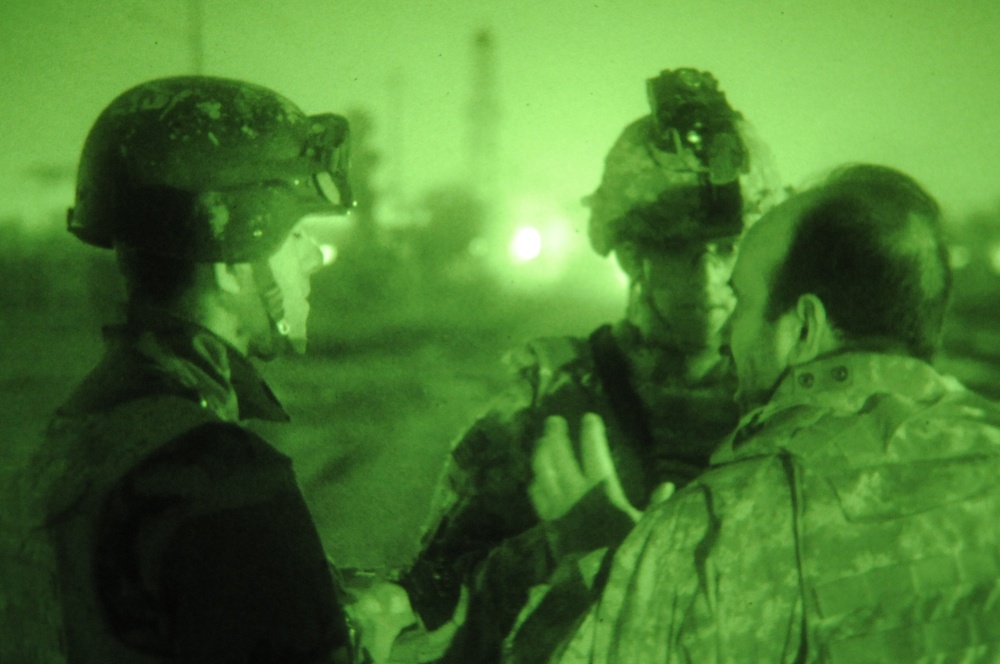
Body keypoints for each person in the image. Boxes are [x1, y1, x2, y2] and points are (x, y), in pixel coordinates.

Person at [395, 68, 783, 662]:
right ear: (632, 256)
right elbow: (435, 616)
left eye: (728, 249)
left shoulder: (793, 407)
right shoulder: (540, 413)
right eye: (677, 252)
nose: (707, 278)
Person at [539, 164, 1000, 663]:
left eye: (741, 302)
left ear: (805, 328)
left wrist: (609, 570)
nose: (723, 335)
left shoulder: (710, 529)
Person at [0, 76, 360, 663]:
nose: (313, 259)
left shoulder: (71, 435)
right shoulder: (221, 475)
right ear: (231, 260)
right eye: (295, 234)